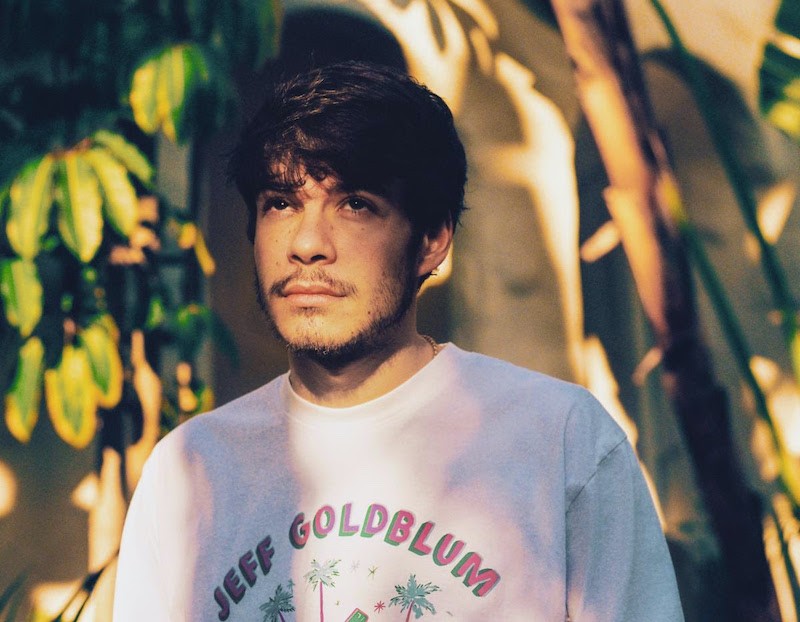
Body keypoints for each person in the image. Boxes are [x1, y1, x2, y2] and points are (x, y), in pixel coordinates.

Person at [113, 61, 683, 621]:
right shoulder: (188, 471)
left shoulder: (561, 441)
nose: (307, 244)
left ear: (432, 239)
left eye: (355, 204)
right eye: (281, 203)